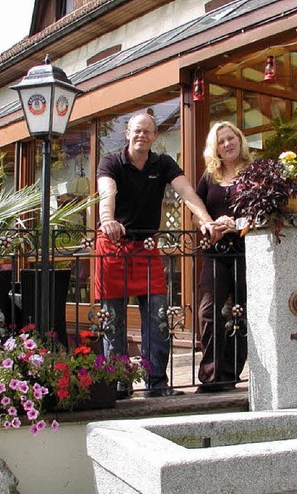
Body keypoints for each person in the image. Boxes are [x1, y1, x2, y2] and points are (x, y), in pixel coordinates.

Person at [95, 112, 219, 398]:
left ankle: (156, 384)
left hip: (147, 247)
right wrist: (107, 219)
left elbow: (187, 192)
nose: (142, 135)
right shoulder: (111, 162)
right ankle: (118, 385)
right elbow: (107, 193)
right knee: (113, 321)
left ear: (154, 137)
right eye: (137, 131)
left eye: (147, 132)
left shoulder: (162, 163)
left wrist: (206, 220)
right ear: (127, 133)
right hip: (113, 246)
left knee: (158, 316)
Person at [195, 121, 251, 393]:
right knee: (208, 312)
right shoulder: (209, 176)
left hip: (246, 252)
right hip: (215, 253)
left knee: (243, 312)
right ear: (214, 147)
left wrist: (237, 223)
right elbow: (198, 211)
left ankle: (230, 374)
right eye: (221, 141)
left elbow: (266, 211)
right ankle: (210, 376)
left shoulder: (254, 172)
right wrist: (209, 224)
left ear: (240, 140)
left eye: (231, 138)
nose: (227, 143)